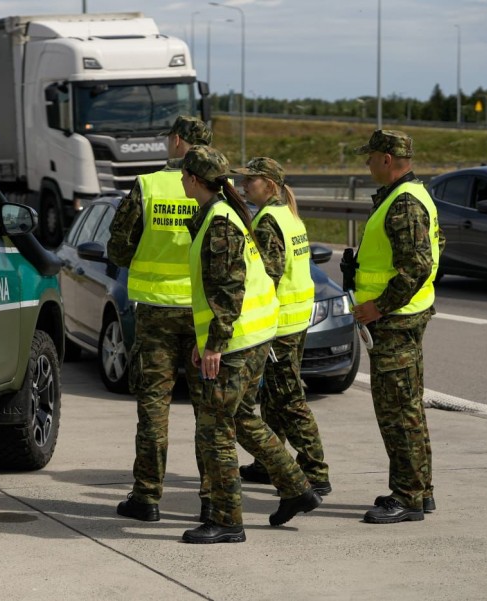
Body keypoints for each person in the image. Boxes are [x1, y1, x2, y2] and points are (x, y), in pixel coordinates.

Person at [180, 145, 321, 544]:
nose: (181, 181)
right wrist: (205, 338)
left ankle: (227, 521)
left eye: (184, 175)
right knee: (243, 420)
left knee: (216, 430)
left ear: (194, 179)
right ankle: (297, 487)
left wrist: (215, 344)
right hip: (252, 336)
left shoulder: (220, 222)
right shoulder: (224, 214)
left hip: (239, 341)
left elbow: (229, 289)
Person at [108, 115, 213, 524]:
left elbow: (118, 247)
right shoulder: (221, 189)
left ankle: (147, 497)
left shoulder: (149, 185)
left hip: (156, 312)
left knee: (154, 406)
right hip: (203, 314)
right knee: (210, 412)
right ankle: (210, 497)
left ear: (177, 142)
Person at [352, 130, 444, 524]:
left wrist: (378, 306)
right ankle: (419, 489)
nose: (367, 163)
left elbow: (419, 263)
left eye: (371, 157)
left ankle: (406, 496)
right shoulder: (408, 196)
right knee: (407, 408)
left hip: (395, 321)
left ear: (387, 158)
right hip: (403, 317)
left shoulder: (404, 202)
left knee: (397, 412)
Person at [229, 157, 331, 497]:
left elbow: (267, 276)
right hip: (296, 319)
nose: (244, 186)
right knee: (273, 397)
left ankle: (315, 471)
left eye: (251, 181)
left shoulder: (269, 221)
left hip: (282, 324)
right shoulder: (288, 216)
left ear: (270, 185)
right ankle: (265, 463)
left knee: (289, 397)